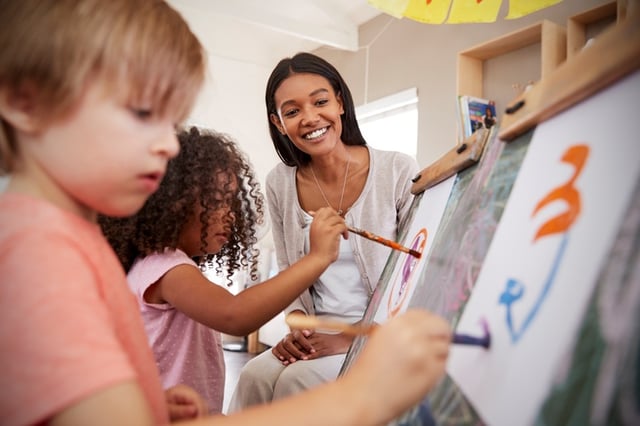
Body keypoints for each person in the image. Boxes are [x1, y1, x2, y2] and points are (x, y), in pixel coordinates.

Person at [0, 1, 451, 424]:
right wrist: (364, 396)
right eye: (141, 112)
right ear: (25, 103)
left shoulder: (67, 240)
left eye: (170, 120)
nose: (169, 145)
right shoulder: (39, 255)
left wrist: (145, 405)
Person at [99, 126, 347, 414]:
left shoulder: (161, 265)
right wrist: (317, 258)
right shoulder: (166, 269)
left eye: (231, 202)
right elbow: (235, 315)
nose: (230, 214)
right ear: (175, 204)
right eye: (218, 201)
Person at [229, 52, 421, 411]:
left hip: (378, 334)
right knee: (254, 376)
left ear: (340, 103)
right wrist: (297, 331)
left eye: (320, 101)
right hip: (316, 332)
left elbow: (415, 276)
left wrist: (350, 340)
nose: (310, 118)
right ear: (279, 123)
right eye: (292, 111)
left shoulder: (396, 170)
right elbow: (290, 273)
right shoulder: (280, 184)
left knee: (297, 381)